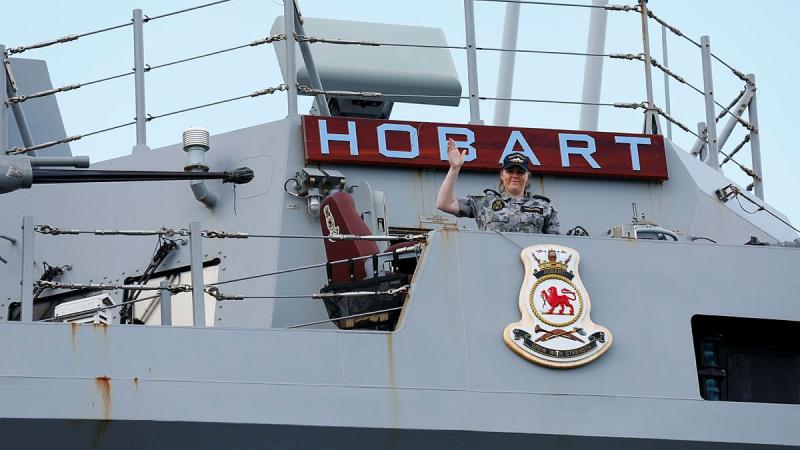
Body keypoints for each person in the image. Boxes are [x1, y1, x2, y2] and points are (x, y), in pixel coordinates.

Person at [436, 138, 560, 234]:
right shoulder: (484, 202)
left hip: (529, 266)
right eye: (510, 171)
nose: (515, 176)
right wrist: (454, 168)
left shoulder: (544, 206)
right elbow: (444, 204)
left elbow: (556, 245)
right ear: (502, 174)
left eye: (520, 172)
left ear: (527, 176)